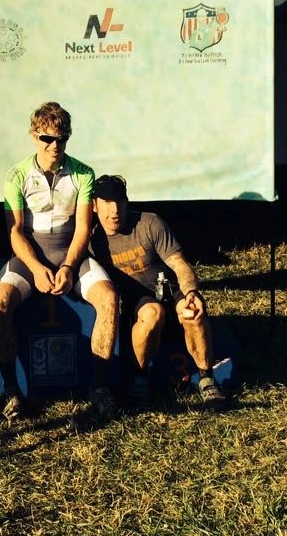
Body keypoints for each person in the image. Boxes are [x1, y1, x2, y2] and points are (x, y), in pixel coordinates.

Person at [0, 102, 119, 421]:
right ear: (34, 136)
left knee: (109, 298)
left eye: (62, 139)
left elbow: (84, 229)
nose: (54, 146)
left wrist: (69, 267)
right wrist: (35, 268)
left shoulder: (83, 173)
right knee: (0, 301)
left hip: (70, 251)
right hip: (30, 254)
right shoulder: (16, 175)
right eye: (47, 138)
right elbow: (16, 231)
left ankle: (100, 388)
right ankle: (11, 392)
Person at [88, 174, 224, 410]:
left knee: (191, 311)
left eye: (119, 201)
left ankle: (206, 378)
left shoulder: (150, 223)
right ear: (94, 205)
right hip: (137, 304)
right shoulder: (92, 241)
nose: (114, 210)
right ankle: (139, 379)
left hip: (170, 291)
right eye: (107, 203)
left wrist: (191, 291)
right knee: (152, 313)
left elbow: (180, 264)